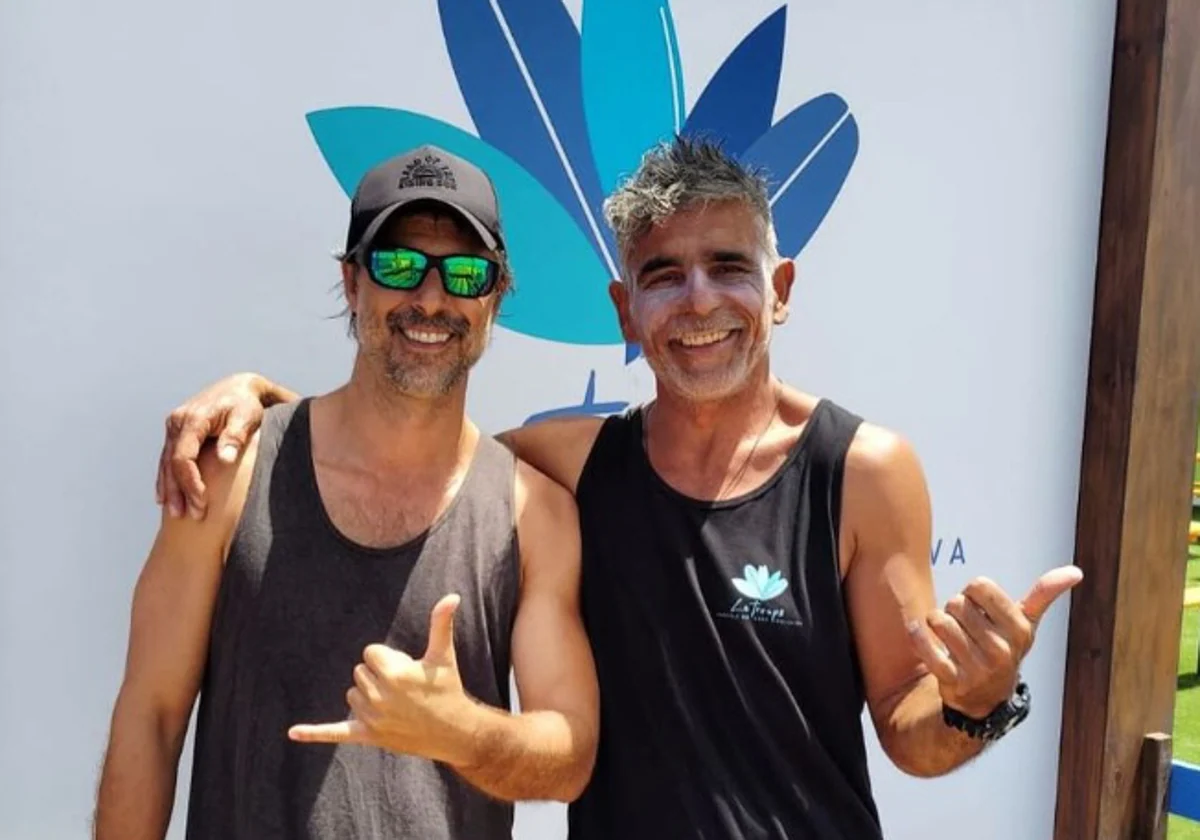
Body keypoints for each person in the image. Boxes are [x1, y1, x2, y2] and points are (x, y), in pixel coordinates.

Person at [151, 137, 1082, 839]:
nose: (699, 302)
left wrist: (981, 698)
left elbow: (915, 736)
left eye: (729, 268)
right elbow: (404, 430)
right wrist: (261, 404)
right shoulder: (566, 466)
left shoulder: (863, 471)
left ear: (781, 287)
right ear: (624, 309)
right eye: (663, 276)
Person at [93, 145, 600, 840]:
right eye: (398, 265)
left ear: (496, 298)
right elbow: (150, 718)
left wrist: (459, 733)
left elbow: (569, 752)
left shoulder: (533, 516)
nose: (430, 297)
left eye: (464, 272)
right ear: (351, 283)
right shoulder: (232, 472)